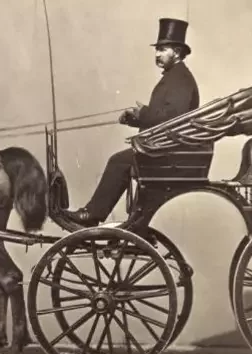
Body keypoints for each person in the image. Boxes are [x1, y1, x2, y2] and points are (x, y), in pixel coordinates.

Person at [63, 17, 200, 226]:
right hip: (166, 150)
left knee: (118, 161)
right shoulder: (176, 76)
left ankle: (92, 215)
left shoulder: (180, 79)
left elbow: (171, 117)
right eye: (157, 49)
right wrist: (136, 119)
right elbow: (163, 116)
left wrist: (142, 113)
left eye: (163, 49)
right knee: (122, 160)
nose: (157, 54)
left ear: (177, 52)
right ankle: (104, 216)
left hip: (170, 155)